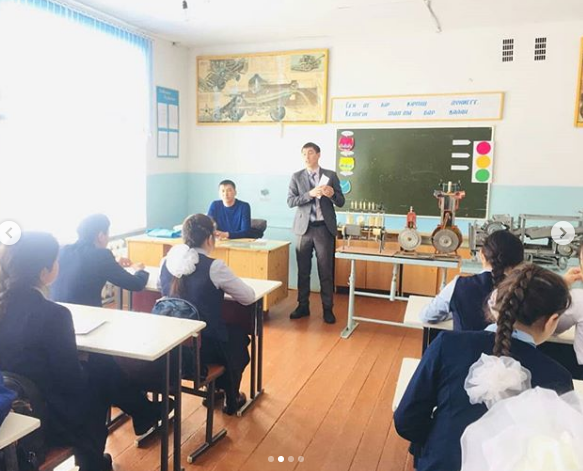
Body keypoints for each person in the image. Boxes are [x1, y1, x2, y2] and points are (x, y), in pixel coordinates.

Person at [0, 232, 161, 471]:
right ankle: (98, 457)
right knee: (100, 375)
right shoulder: (54, 315)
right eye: (56, 260)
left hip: (14, 408)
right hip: (47, 418)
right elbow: (71, 382)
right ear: (44, 272)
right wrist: (82, 362)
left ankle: (140, 414)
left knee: (100, 366)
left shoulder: (5, 305)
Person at [394, 263, 574, 471]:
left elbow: (406, 419)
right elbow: (559, 450)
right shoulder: (558, 377)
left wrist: (439, 445)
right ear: (552, 320)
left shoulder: (448, 344)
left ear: (497, 303)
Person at [159, 214, 255, 415]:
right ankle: (230, 396)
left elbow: (162, 288)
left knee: (228, 336)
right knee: (238, 339)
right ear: (210, 238)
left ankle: (216, 389)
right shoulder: (214, 267)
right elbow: (248, 297)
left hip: (172, 346)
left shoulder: (166, 262)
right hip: (204, 348)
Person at [287, 142, 345, 324]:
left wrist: (332, 194)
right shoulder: (296, 177)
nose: (307, 156)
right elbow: (290, 201)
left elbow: (341, 201)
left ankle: (328, 309)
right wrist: (309, 194)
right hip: (304, 229)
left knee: (325, 271)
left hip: (323, 229)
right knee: (303, 271)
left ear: (318, 155)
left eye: (310, 153)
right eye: (304, 153)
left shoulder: (330, 175)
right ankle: (303, 306)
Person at [420, 230, 524, 330]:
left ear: (481, 254)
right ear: (518, 262)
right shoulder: (522, 289)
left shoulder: (458, 285)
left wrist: (453, 312)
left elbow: (427, 316)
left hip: (463, 343)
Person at [51, 214, 149, 307]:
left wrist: (114, 263)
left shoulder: (63, 250)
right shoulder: (101, 256)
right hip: (86, 315)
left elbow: (85, 267)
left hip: (59, 312)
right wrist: (139, 270)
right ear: (101, 236)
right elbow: (136, 284)